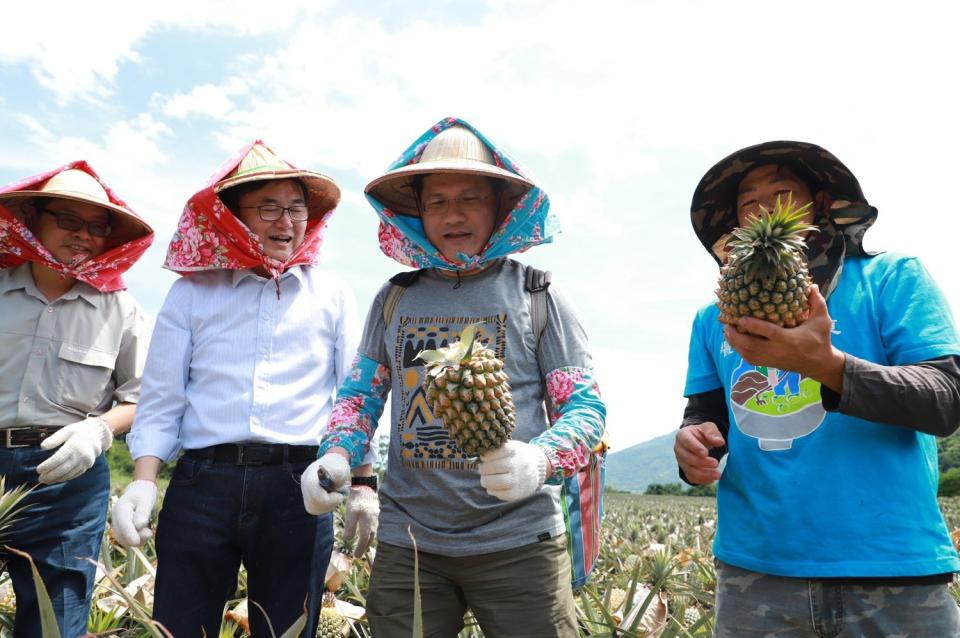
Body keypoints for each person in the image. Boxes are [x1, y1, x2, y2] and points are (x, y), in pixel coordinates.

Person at [300, 117, 607, 637]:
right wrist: (335, 454)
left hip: (518, 542)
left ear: (498, 209)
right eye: (437, 201)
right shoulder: (395, 296)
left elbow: (586, 409)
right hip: (410, 543)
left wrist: (541, 459)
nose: (453, 215)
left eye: (470, 198)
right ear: (418, 213)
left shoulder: (539, 295)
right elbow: (360, 398)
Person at [674, 141, 960, 636]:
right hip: (755, 573)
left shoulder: (892, 278)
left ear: (820, 205)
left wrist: (827, 365)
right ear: (736, 226)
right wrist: (692, 445)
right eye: (748, 201)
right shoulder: (711, 318)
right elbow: (706, 415)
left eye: (782, 192)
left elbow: (946, 400)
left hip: (891, 569)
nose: (764, 207)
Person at [110, 141, 371, 637]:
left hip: (302, 482)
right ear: (231, 217)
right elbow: (164, 397)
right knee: (182, 627)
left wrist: (362, 481)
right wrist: (144, 479)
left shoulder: (332, 293)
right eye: (268, 207)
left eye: (296, 208)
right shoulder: (192, 292)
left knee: (287, 630)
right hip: (203, 482)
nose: (286, 221)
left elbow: (352, 396)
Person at [0, 163, 153, 637]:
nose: (83, 236)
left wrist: (100, 430)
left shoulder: (121, 310)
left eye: (96, 227)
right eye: (68, 220)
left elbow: (141, 397)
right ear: (34, 219)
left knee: (56, 620)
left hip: (69, 479)